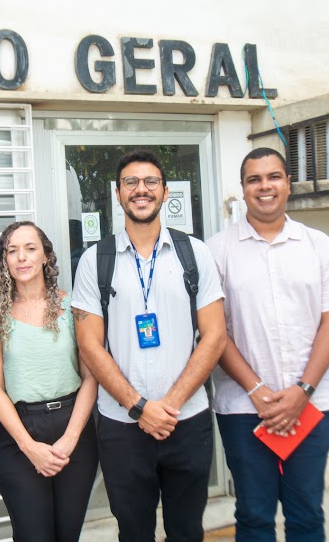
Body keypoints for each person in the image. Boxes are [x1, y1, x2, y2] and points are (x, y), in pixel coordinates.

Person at [71, 149, 227, 542]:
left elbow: (215, 335)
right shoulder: (95, 260)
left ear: (165, 191)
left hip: (186, 420)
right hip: (122, 425)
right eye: (131, 183)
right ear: (118, 193)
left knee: (187, 530)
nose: (141, 190)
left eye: (150, 182)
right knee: (133, 531)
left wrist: (168, 405)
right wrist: (139, 406)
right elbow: (90, 345)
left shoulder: (195, 253)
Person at [205, 147, 329, 542]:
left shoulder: (317, 244)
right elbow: (215, 331)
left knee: (306, 513)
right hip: (243, 409)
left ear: (288, 184)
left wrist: (302, 391)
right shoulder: (217, 249)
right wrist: (256, 390)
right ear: (242, 189)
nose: (265, 186)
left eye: (273, 177)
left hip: (312, 404)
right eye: (254, 179)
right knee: (254, 516)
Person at [0, 221, 99, 542]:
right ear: (4, 260)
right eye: (12, 250)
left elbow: (91, 378)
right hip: (21, 431)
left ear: (46, 256)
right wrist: (28, 447)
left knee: (67, 534)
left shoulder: (74, 307)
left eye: (30, 248)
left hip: (73, 427)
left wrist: (70, 439)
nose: (22, 257)